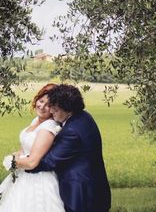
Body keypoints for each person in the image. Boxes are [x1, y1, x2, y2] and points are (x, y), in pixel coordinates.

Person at [19, 84, 111, 212]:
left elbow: (49, 161)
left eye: (55, 109)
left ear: (68, 109)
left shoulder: (72, 131)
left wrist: (20, 163)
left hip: (79, 194)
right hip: (94, 189)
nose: (51, 112)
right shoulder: (84, 117)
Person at [0, 83, 65, 211]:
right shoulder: (36, 121)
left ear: (54, 108)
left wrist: (11, 162)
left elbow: (32, 162)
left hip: (38, 178)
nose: (42, 106)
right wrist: (15, 155)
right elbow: (26, 148)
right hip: (23, 172)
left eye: (48, 105)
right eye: (41, 101)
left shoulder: (48, 128)